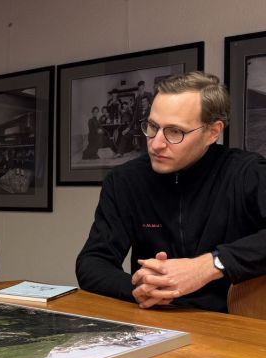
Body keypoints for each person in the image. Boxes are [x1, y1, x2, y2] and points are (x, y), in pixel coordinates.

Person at [76, 71, 266, 312]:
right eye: (153, 126)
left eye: (175, 132)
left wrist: (212, 265)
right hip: (154, 322)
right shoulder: (124, 181)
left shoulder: (247, 172)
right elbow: (92, 262)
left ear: (212, 132)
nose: (156, 143)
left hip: (231, 324)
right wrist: (139, 289)